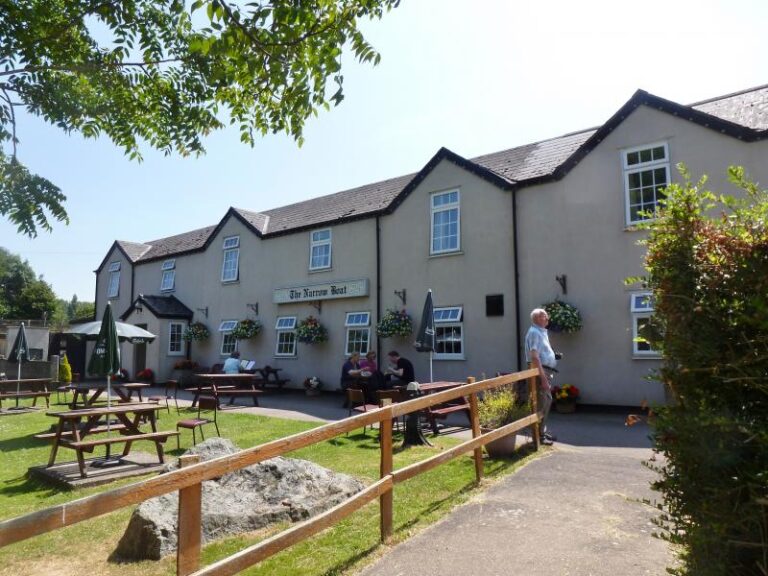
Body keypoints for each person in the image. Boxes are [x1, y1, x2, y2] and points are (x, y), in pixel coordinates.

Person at [525, 308, 557, 445]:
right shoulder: (535, 333)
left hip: (545, 370)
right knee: (543, 402)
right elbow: (534, 357)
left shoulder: (541, 332)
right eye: (545, 317)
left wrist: (553, 357)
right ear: (537, 319)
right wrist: (543, 379)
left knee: (546, 402)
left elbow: (540, 354)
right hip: (540, 372)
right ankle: (538, 436)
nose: (547, 319)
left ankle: (541, 432)